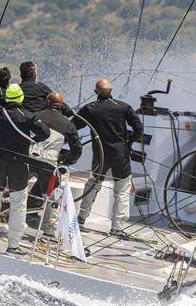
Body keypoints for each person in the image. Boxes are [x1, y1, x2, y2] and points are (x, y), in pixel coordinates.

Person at [0, 83, 49, 254]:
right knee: (18, 204)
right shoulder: (28, 116)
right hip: (19, 164)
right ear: (21, 98)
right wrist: (31, 138)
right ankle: (13, 245)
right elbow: (45, 133)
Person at [76, 78, 143, 236]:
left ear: (95, 92)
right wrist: (129, 142)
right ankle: (117, 228)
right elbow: (138, 128)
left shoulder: (89, 109)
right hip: (121, 154)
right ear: (111, 91)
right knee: (122, 190)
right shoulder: (123, 106)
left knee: (93, 184)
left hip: (101, 154)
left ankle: (81, 219)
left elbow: (74, 126)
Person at [28, 91, 83, 237]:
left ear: (47, 102)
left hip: (28, 159)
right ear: (61, 106)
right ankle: (48, 231)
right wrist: (66, 162)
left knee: (16, 188)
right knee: (53, 196)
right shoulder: (68, 124)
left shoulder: (36, 116)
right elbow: (77, 149)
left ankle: (6, 217)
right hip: (50, 164)